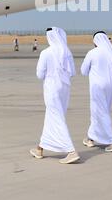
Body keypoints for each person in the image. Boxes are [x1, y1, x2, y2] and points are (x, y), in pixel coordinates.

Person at [30, 27, 80, 164]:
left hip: (52, 88)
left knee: (56, 116)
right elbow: (72, 72)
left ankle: (71, 151)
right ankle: (40, 148)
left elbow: (40, 74)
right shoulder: (67, 52)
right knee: (53, 115)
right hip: (65, 88)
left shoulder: (46, 52)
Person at [81, 31, 112, 152]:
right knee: (101, 111)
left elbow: (83, 71)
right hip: (110, 86)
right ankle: (91, 138)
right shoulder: (111, 53)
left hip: (97, 87)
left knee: (100, 112)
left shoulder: (92, 53)